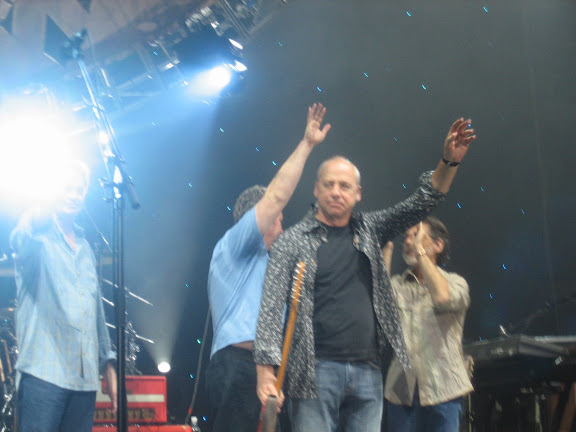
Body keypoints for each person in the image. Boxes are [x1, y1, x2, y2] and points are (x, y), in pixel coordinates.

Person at [253, 118, 476, 432]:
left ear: (358, 193)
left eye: (344, 186)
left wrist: (449, 161)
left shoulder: (370, 229)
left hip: (368, 372)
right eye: (329, 184)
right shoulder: (291, 241)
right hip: (314, 371)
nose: (336, 192)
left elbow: (423, 201)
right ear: (316, 189)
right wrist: (265, 373)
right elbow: (270, 309)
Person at [205, 103, 331, 432]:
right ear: (258, 218)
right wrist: (306, 145)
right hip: (239, 365)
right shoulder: (236, 244)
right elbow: (276, 196)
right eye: (278, 220)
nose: (282, 227)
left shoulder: (271, 262)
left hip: (266, 367)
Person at [10, 160, 117, 432]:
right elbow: (19, 239)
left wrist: (108, 362)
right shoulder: (37, 237)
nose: (74, 194)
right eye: (67, 188)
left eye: (79, 189)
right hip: (44, 374)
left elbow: (96, 311)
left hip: (84, 381)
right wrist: (40, 209)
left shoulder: (85, 249)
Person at [382, 217, 473, 432]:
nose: (409, 241)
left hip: (444, 389)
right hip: (401, 391)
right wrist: (386, 248)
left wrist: (421, 253)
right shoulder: (398, 284)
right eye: (406, 237)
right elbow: (377, 305)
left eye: (417, 235)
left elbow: (442, 297)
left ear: (438, 245)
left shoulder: (455, 282)